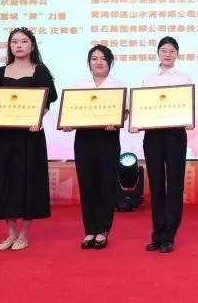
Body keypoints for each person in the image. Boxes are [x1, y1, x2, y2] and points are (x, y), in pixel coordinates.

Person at [0, 27, 57, 251]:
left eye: (23, 41)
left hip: (30, 136)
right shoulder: (0, 72)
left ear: (32, 45)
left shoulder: (40, 70)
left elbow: (47, 102)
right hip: (5, 136)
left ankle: (24, 235)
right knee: (4, 181)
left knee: (29, 181)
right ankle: (10, 233)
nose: (19, 45)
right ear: (9, 46)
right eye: (14, 42)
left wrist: (38, 118)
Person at [130, 36, 193, 254]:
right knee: (156, 184)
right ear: (158, 53)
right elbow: (141, 107)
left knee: (175, 184)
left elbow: (187, 106)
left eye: (172, 51)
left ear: (177, 54)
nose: (168, 54)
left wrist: (188, 118)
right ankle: (157, 234)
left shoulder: (184, 78)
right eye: (164, 50)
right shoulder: (148, 79)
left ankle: (169, 235)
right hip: (153, 135)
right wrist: (136, 122)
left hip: (176, 135)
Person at [61, 45, 123, 250]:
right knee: (87, 183)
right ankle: (89, 229)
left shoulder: (118, 86)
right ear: (89, 63)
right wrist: (68, 123)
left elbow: (125, 112)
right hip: (84, 140)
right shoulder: (79, 86)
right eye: (94, 58)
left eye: (103, 58)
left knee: (106, 184)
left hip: (108, 139)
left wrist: (118, 120)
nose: (98, 62)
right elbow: (70, 112)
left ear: (110, 62)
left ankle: (103, 230)